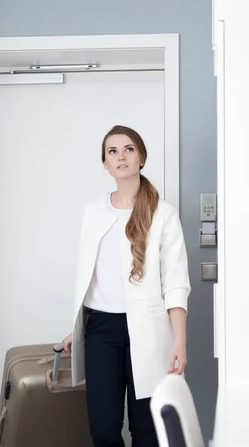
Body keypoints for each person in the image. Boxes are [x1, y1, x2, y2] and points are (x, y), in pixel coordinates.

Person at [61, 125, 191, 447]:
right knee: (103, 429)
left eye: (129, 149)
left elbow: (176, 282)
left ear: (141, 158)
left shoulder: (163, 214)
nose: (121, 156)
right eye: (112, 151)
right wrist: (76, 330)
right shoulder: (92, 213)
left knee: (146, 429)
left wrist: (180, 340)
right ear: (104, 163)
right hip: (101, 328)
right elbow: (90, 278)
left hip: (149, 329)